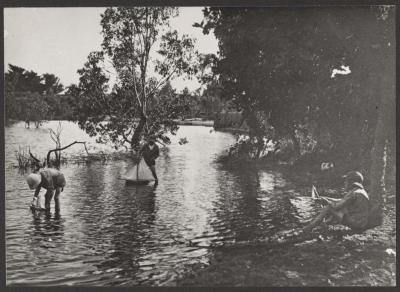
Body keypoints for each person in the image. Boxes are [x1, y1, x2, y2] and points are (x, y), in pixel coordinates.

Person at [303, 171, 370, 232]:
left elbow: (336, 207)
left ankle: (309, 227)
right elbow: (342, 201)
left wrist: (326, 201)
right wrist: (327, 198)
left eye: (346, 181)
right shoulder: (360, 191)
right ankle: (324, 224)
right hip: (362, 222)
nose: (344, 183)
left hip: (356, 223)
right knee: (338, 208)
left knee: (329, 207)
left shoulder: (353, 193)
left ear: (351, 182)